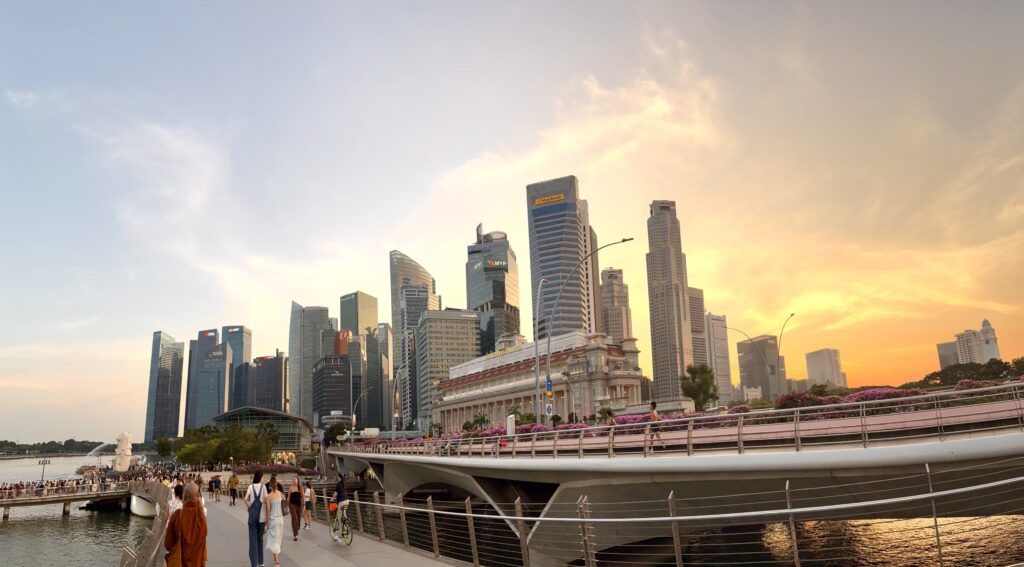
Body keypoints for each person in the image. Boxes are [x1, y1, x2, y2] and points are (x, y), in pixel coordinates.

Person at [164, 482, 207, 567]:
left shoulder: (177, 515)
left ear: (184, 496)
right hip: (198, 563)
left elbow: (168, 544)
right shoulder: (202, 516)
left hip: (180, 562)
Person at [244, 471, 266, 567]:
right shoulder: (263, 487)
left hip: (252, 516)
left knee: (253, 540)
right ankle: (261, 562)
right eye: (263, 477)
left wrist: (249, 507)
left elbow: (245, 499)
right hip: (261, 516)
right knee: (260, 539)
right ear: (260, 478)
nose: (263, 479)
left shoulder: (250, 487)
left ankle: (254, 564)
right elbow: (266, 501)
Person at [264, 474, 285, 567]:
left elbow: (268, 510)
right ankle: (276, 560)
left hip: (273, 519)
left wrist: (267, 522)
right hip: (281, 519)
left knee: (274, 539)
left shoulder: (268, 496)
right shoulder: (280, 494)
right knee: (278, 539)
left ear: (269, 485)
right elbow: (285, 502)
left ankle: (277, 562)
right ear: (276, 484)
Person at [287, 477, 303, 541]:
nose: (294, 480)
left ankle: (297, 526)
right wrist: (287, 505)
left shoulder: (300, 487)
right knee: (294, 518)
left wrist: (304, 505)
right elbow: (288, 497)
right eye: (293, 479)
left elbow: (302, 497)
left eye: (295, 479)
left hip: (299, 505)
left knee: (298, 519)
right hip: (292, 505)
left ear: (297, 480)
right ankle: (295, 535)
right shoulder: (290, 487)